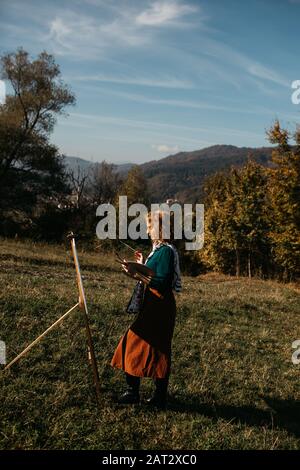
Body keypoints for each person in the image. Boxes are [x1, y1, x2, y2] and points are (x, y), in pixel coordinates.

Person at [110, 210, 182, 409]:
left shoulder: (166, 251)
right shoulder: (158, 251)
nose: (148, 230)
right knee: (155, 348)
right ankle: (156, 397)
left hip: (160, 305)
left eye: (150, 226)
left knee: (136, 342)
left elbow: (162, 281)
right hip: (153, 304)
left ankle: (136, 393)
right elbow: (154, 273)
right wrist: (141, 265)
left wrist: (135, 275)